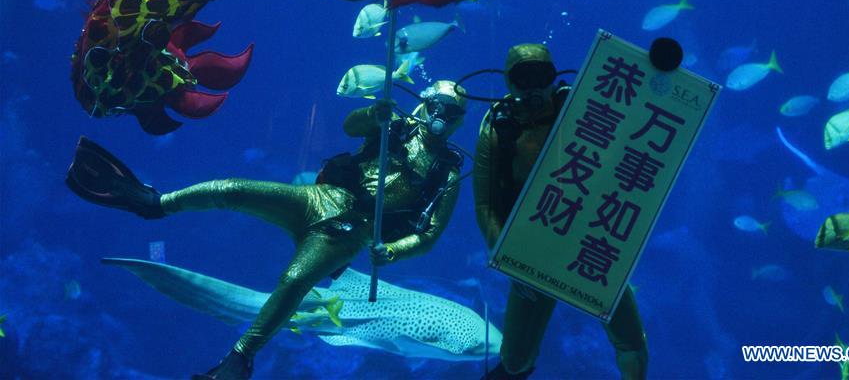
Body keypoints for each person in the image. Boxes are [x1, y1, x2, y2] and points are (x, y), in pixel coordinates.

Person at [65, 80, 467, 380]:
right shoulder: (393, 125)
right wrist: (373, 115)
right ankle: (154, 203)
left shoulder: (446, 169)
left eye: (451, 114)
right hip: (320, 196)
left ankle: (240, 358)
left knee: (294, 280)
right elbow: (350, 125)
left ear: (458, 122)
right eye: (437, 106)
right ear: (425, 101)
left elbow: (430, 233)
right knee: (232, 189)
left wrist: (394, 252)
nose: (440, 117)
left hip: (351, 228)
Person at [473, 44, 648, 380]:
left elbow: (641, 117)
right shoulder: (499, 131)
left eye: (542, 77)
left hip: (594, 240)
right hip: (534, 248)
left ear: (554, 77)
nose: (534, 88)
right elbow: (486, 205)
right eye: (523, 79)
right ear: (509, 83)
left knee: (631, 343)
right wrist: (508, 259)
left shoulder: (584, 109)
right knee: (515, 361)